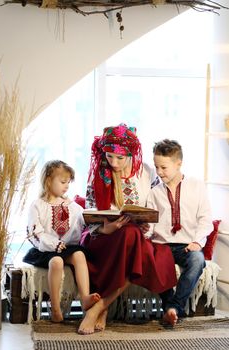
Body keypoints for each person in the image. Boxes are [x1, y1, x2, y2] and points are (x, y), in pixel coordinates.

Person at [80, 123, 177, 334]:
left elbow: (154, 205)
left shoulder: (146, 172)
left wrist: (146, 225)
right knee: (131, 240)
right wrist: (106, 229)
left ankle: (99, 307)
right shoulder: (97, 174)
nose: (113, 163)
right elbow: (89, 214)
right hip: (103, 236)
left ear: (131, 154)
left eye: (120, 158)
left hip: (134, 236)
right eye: (109, 156)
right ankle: (101, 308)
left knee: (132, 236)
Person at [23, 160, 100, 334]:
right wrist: (53, 244)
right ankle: (56, 309)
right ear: (48, 181)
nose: (66, 186)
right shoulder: (38, 205)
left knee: (79, 255)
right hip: (45, 249)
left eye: (68, 183)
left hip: (67, 247)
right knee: (56, 262)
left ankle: (85, 298)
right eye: (62, 182)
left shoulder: (73, 207)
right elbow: (36, 233)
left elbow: (87, 224)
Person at [147, 139, 213, 326]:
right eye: (156, 167)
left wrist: (198, 242)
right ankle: (172, 309)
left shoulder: (197, 186)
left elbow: (205, 219)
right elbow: (150, 226)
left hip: (187, 245)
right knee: (151, 261)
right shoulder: (154, 193)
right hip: (161, 246)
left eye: (164, 167)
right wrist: (144, 232)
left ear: (178, 163)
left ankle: (173, 308)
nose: (159, 172)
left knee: (197, 260)